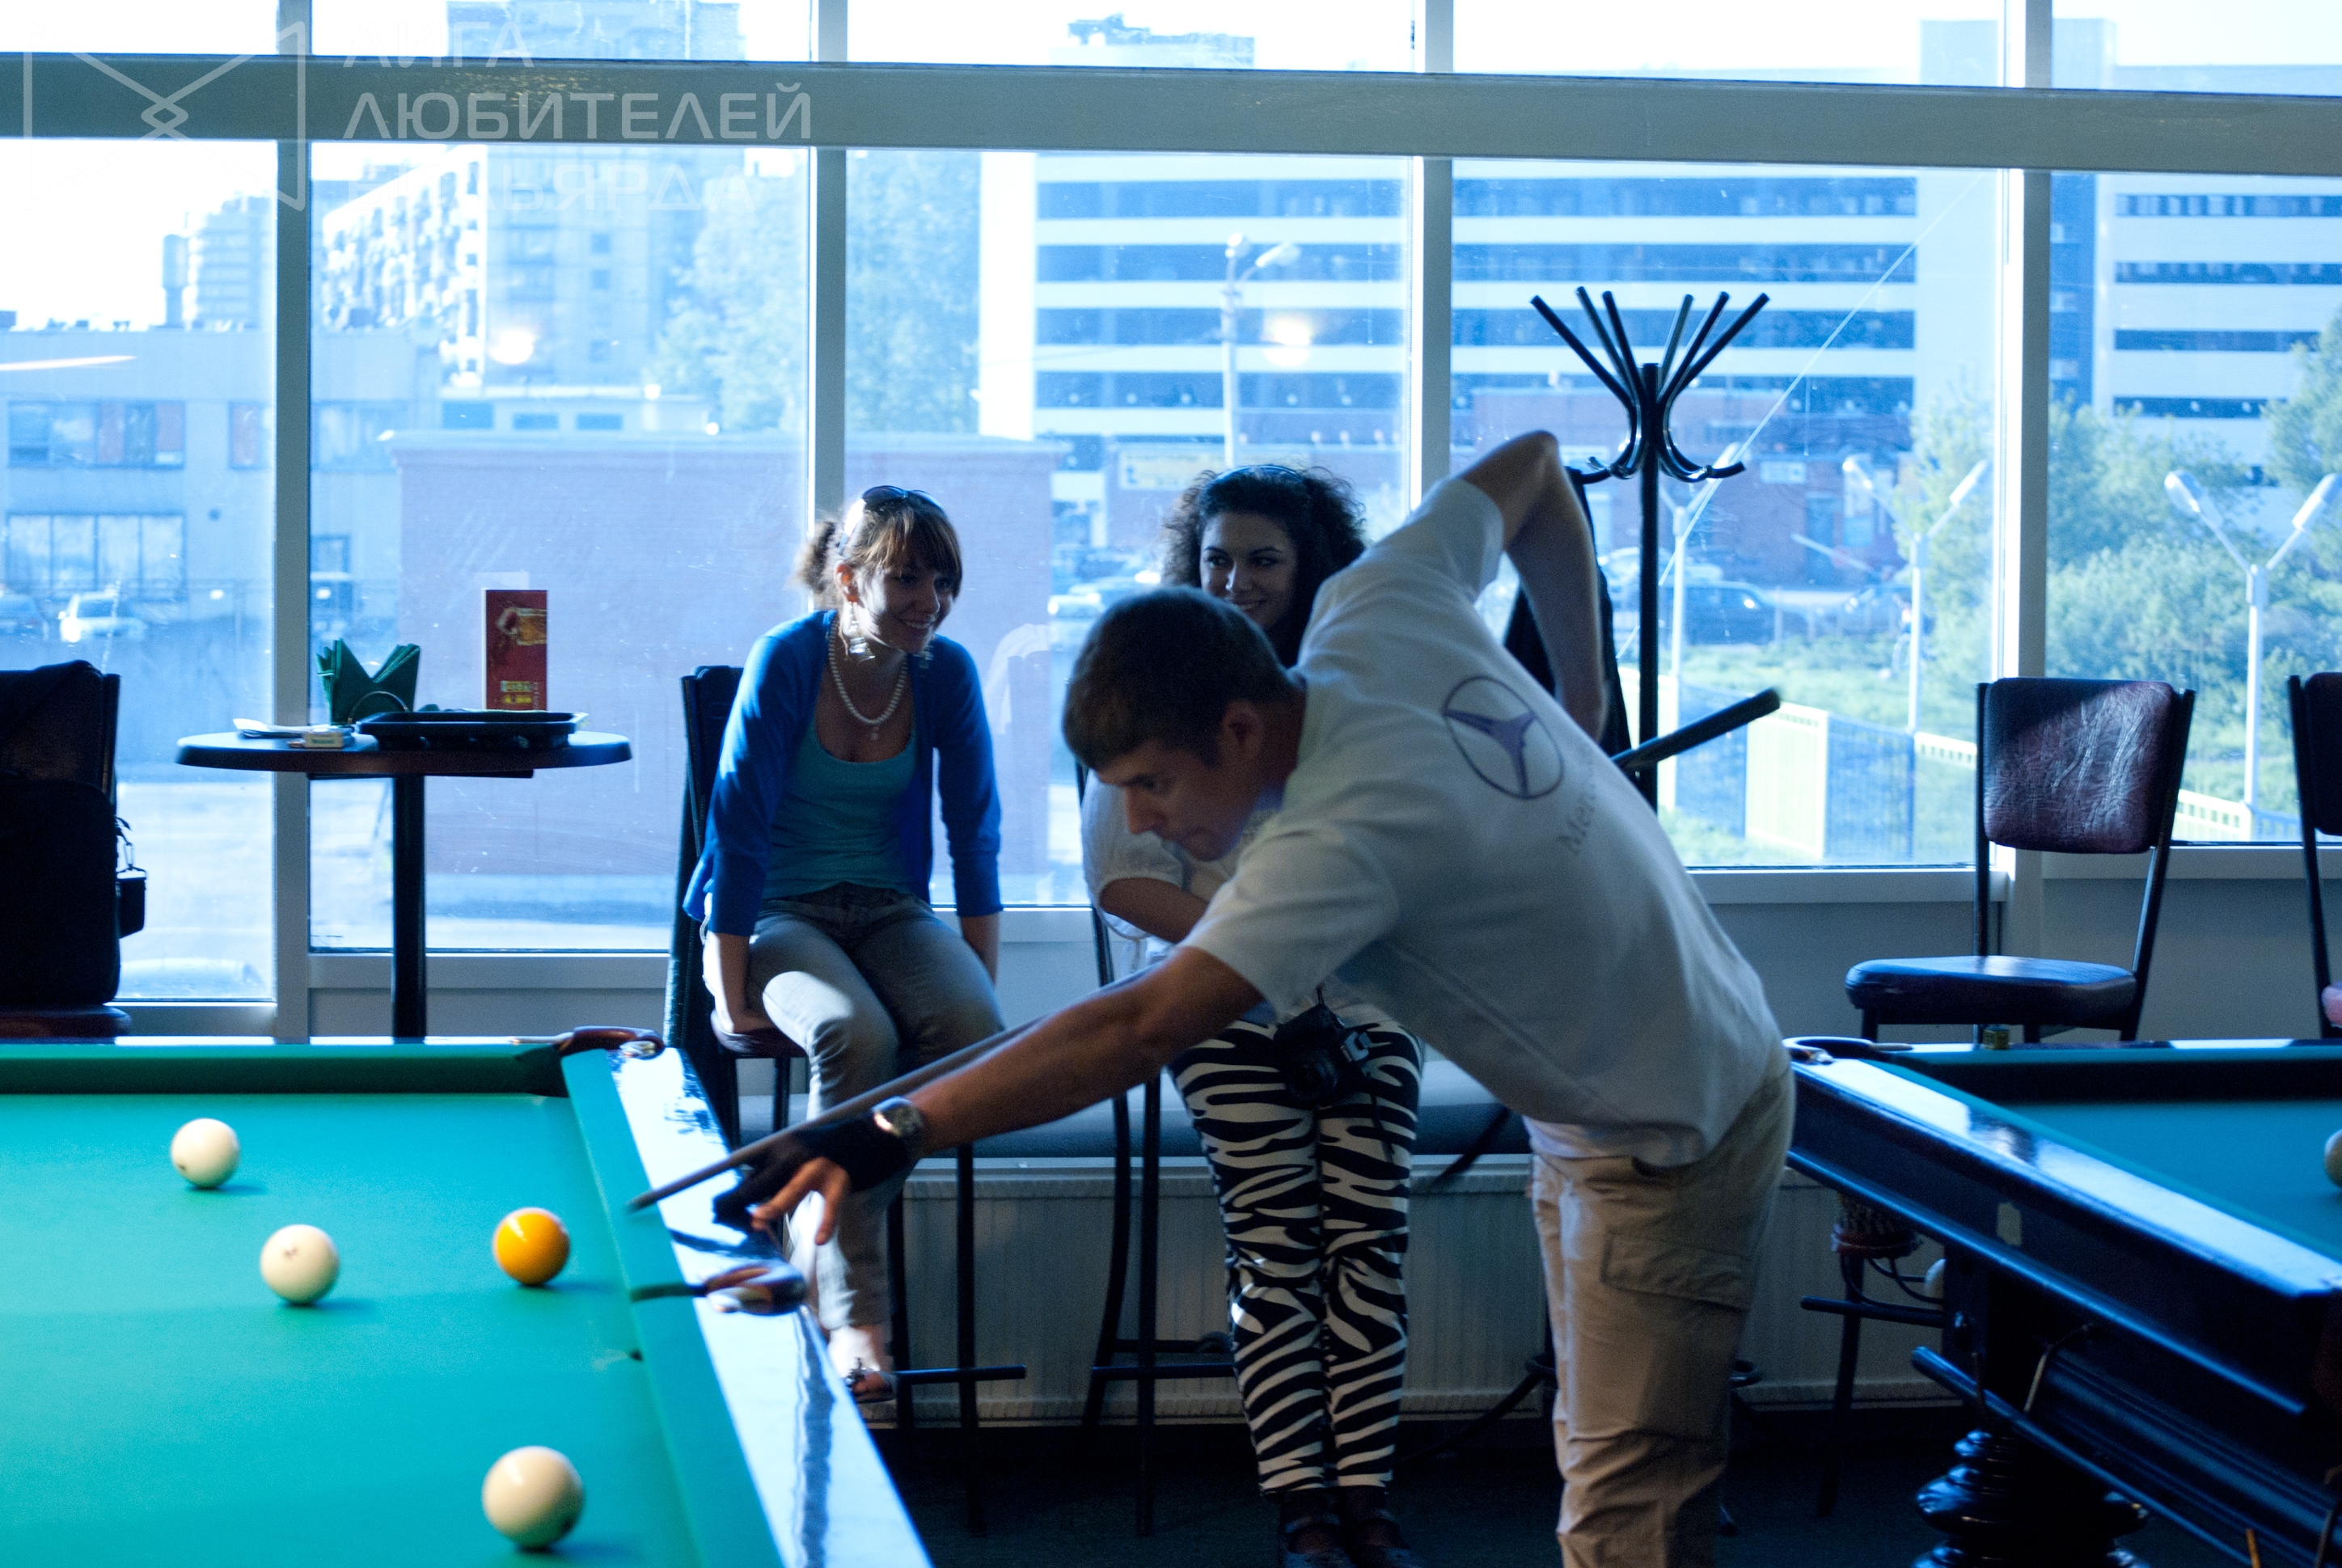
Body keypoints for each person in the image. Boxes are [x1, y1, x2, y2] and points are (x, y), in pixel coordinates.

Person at [745, 433, 1790, 1567]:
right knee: (1601, 1452)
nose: (1141, 821)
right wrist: (1581, 705)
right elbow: (1537, 472)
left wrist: (891, 1126)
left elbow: (1138, 1024)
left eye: (1154, 783)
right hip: (1607, 1099)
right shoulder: (1374, 602)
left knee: (1625, 1512)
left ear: (1238, 729)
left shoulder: (1336, 842)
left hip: (1669, 1121)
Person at [1082, 466, 1429, 1568]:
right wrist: (1262, 947)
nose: (1236, 579)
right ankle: (1302, 1502)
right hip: (1217, 999)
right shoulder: (1156, 679)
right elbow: (1119, 878)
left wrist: (1318, 950)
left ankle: (1366, 1492)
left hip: (1365, 1003)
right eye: (1218, 558)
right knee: (1275, 1243)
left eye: (1263, 559)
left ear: (1309, 565)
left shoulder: (1351, 688)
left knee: (1369, 1238)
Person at [683, 484, 1006, 1405]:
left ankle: (800, 1232)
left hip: (891, 908)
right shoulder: (787, 659)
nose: (929, 602)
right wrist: (727, 985)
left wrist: (975, 980)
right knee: (855, 1034)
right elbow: (738, 828)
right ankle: (857, 1314)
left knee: (972, 1032)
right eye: (907, 578)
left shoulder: (944, 673)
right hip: (778, 909)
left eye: (942, 581)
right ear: (849, 576)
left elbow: (974, 830)